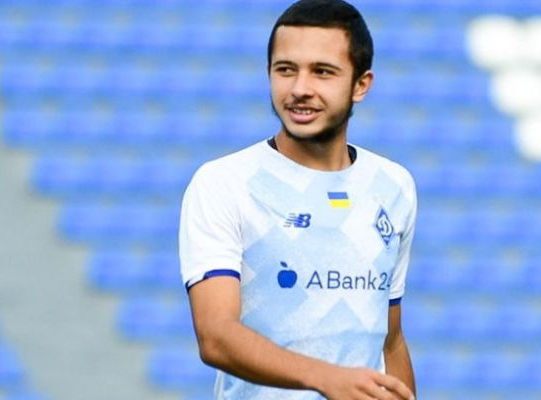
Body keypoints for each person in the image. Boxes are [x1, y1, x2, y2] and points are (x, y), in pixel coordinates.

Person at [179, 0, 418, 398]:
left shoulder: (393, 186)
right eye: (286, 69)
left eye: (322, 71)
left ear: (361, 85)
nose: (299, 89)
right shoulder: (224, 183)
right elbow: (215, 336)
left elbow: (390, 340)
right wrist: (326, 378)